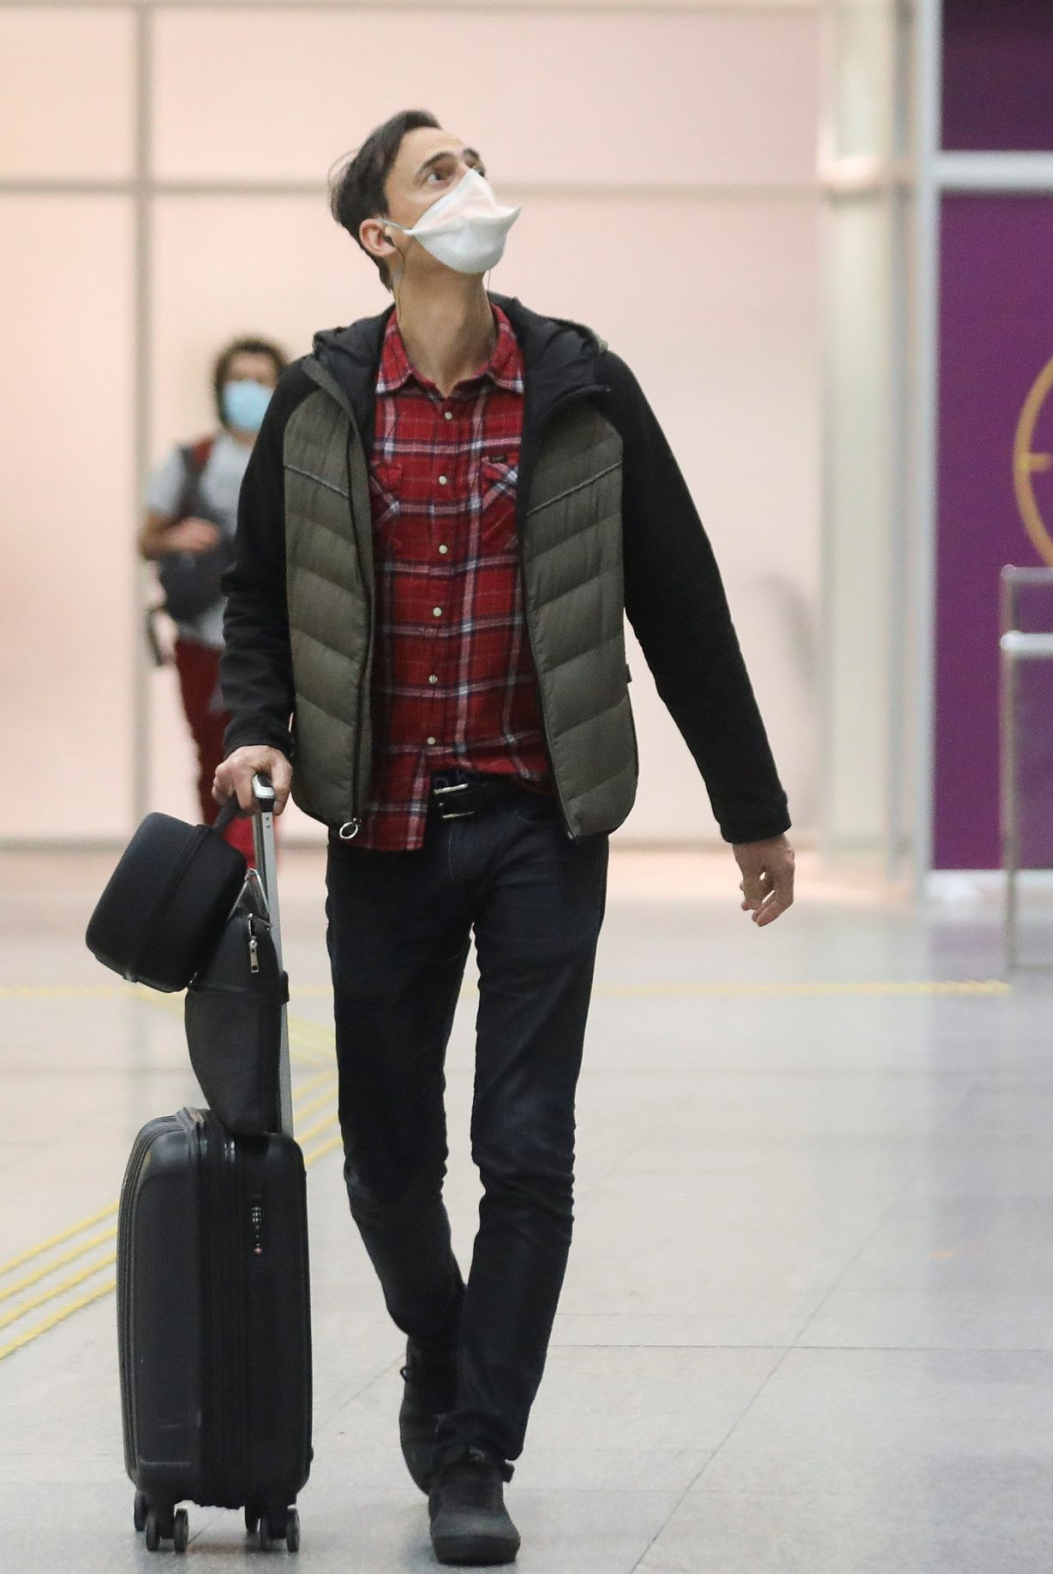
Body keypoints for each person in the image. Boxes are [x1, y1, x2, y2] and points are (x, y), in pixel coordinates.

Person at [214, 110, 794, 1567]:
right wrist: (257, 721)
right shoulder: (324, 399)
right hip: (385, 824)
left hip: (545, 816)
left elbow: (682, 598)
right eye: (435, 173)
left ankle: (475, 1449)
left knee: (527, 1150)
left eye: (470, 159)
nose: (470, 184)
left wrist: (753, 811)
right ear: (381, 236)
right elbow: (261, 594)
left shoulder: (585, 388)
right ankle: (439, 1342)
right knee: (391, 1161)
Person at [141, 337, 285, 835]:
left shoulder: (292, 459)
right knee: (213, 760)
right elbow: (147, 538)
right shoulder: (192, 460)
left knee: (267, 756)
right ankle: (220, 865)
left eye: (261, 381)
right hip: (203, 637)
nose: (249, 390)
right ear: (220, 389)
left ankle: (253, 870)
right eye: (238, 379)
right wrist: (175, 535)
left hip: (271, 640)